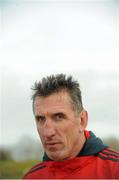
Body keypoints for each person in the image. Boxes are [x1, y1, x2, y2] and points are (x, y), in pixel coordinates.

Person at [23, 74, 119, 179]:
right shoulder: (33, 177)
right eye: (41, 119)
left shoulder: (114, 170)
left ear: (82, 120)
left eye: (59, 117)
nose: (48, 133)